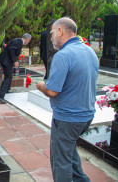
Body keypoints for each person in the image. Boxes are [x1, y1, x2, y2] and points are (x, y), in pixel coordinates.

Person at [36, 17, 99, 182]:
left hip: (67, 119)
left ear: (60, 31)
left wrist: (41, 85)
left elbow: (52, 91)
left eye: (51, 34)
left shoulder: (62, 56)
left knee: (60, 161)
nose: (51, 39)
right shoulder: (90, 51)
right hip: (86, 116)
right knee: (69, 151)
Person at [0, 33, 31, 103]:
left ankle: (7, 90)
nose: (28, 42)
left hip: (5, 61)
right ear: (27, 39)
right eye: (29, 41)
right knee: (8, 77)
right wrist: (15, 61)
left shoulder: (18, 41)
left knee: (9, 76)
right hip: (6, 61)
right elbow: (11, 50)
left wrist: (3, 66)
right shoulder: (19, 42)